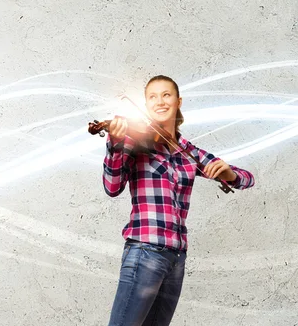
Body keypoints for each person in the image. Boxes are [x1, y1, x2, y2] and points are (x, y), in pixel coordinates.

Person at [103, 75, 255, 325]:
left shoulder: (187, 151)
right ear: (145, 104)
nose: (159, 101)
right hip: (145, 250)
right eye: (152, 97)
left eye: (166, 95)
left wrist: (229, 174)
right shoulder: (134, 141)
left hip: (176, 258)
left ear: (178, 101)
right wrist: (115, 146)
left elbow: (248, 178)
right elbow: (112, 187)